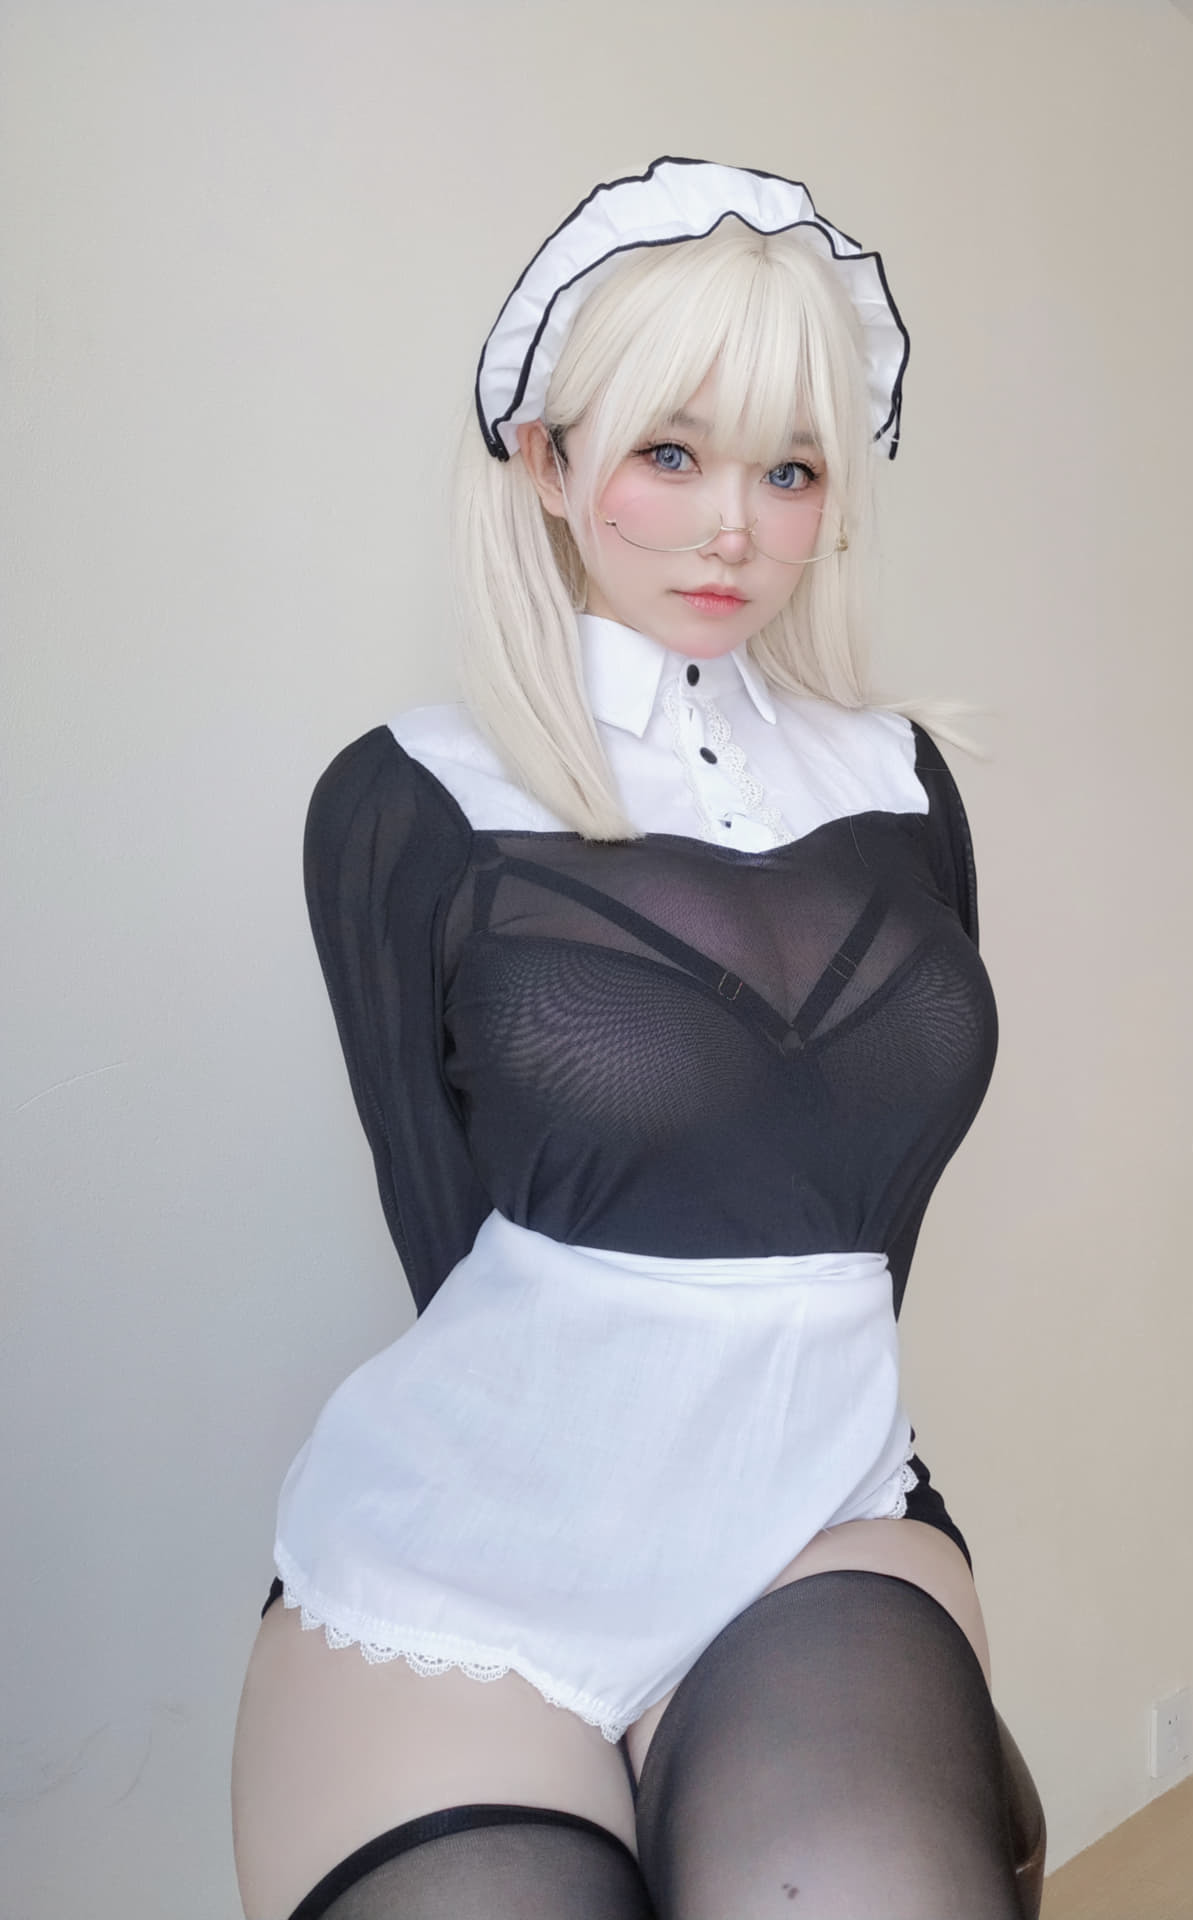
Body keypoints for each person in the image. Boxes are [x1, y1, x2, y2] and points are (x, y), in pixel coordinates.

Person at [230, 156, 1041, 1920]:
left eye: (790, 470)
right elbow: (441, 1226)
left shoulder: (904, 785)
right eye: (670, 453)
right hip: (474, 1554)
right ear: (546, 460)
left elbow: (858, 1220)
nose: (732, 525)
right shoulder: (410, 794)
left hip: (816, 1514)